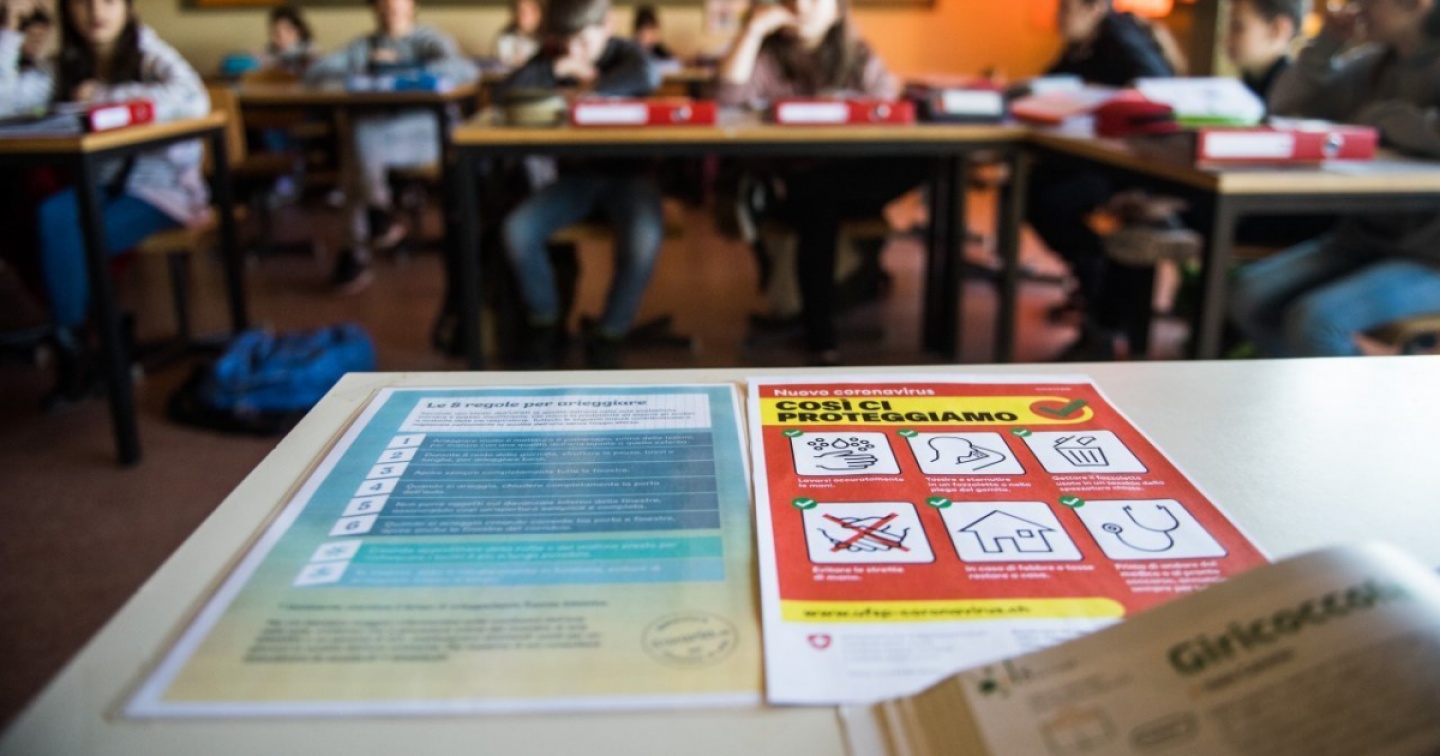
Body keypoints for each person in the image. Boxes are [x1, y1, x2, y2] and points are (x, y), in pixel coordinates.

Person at [0, 0, 210, 408]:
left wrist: (104, 96)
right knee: (53, 215)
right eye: (83, 2)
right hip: (100, 187)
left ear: (128, 9)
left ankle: (92, 346)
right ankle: (83, 345)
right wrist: (9, 30)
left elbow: (193, 100)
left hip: (161, 192)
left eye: (109, 1)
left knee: (76, 235)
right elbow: (5, 103)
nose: (96, 11)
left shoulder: (148, 53)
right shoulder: (66, 66)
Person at [716, 0, 924, 365]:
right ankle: (821, 333)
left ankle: (825, 327)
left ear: (838, 8)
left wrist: (848, 105)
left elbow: (888, 105)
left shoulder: (856, 53)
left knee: (925, 160)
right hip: (788, 181)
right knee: (817, 201)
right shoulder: (766, 55)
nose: (802, 5)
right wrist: (753, 30)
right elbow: (723, 101)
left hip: (847, 175)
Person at [1228, 0, 1440, 357]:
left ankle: (1376, 392)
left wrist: (1382, 117)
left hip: (1430, 258)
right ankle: (1297, 387)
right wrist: (1326, 44)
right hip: (1365, 241)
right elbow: (1285, 106)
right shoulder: (1374, 65)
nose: (1357, 6)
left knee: (1317, 322)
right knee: (1247, 295)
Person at [500, 0, 662, 369]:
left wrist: (591, 92)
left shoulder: (628, 54)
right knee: (517, 230)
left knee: (644, 237)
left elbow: (648, 75)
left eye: (583, 41)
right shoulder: (555, 58)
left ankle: (609, 333)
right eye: (566, 42)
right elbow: (502, 95)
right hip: (575, 180)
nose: (575, 51)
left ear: (608, 24)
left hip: (631, 178)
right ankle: (545, 322)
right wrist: (556, 67)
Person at [1024, 0, 1176, 360]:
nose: (1059, 17)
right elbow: (1050, 85)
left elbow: (1159, 94)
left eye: (1067, 8)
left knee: (1049, 198)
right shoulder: (1084, 44)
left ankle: (1096, 286)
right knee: (1033, 189)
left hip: (1132, 168)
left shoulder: (1122, 41)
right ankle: (1092, 280)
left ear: (1094, 9)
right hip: (1093, 159)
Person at [305, 0, 478, 294]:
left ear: (412, 5)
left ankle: (362, 240)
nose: (390, 5)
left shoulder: (429, 41)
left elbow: (465, 71)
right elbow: (315, 74)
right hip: (377, 139)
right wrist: (364, 65)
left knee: (358, 143)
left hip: (427, 135)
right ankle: (376, 216)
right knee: (358, 140)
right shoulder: (364, 46)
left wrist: (400, 68)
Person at [1226, 0, 1301, 99]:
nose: (1228, 38)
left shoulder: (1292, 99)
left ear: (1277, 29)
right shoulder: (1245, 87)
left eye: (1238, 27)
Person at [262, 5, 316, 76]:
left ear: (300, 32)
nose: (282, 37)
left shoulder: (310, 52)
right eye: (275, 32)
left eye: (288, 30)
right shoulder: (269, 52)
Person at [494, 0, 541, 69]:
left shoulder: (548, 38)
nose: (528, 16)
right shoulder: (507, 40)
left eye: (532, 11)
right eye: (523, 12)